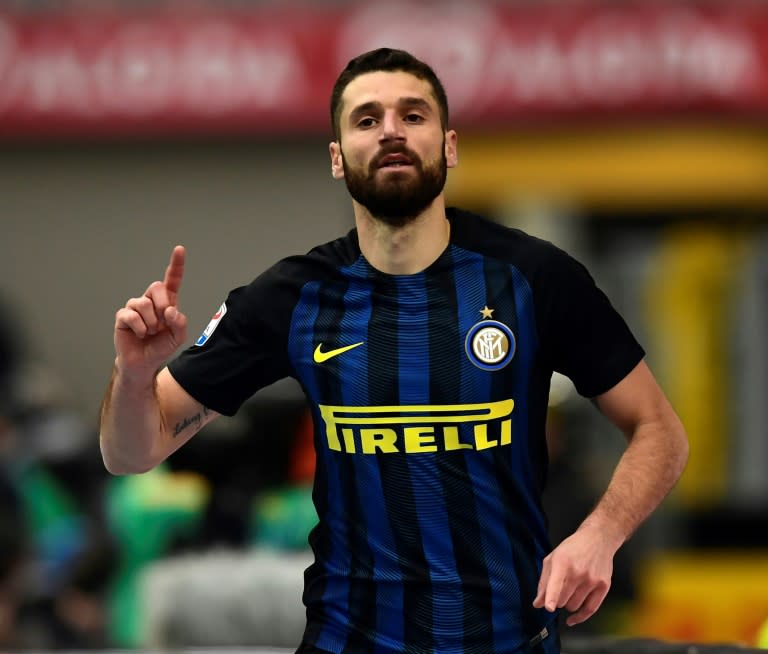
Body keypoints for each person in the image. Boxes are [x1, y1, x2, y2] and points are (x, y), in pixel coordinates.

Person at [99, 48, 689, 654]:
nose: (390, 132)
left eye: (413, 115)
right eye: (366, 119)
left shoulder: (534, 279)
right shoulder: (292, 296)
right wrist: (136, 374)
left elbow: (661, 432)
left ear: (449, 145)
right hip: (346, 639)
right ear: (337, 158)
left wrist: (600, 535)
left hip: (507, 640)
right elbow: (132, 452)